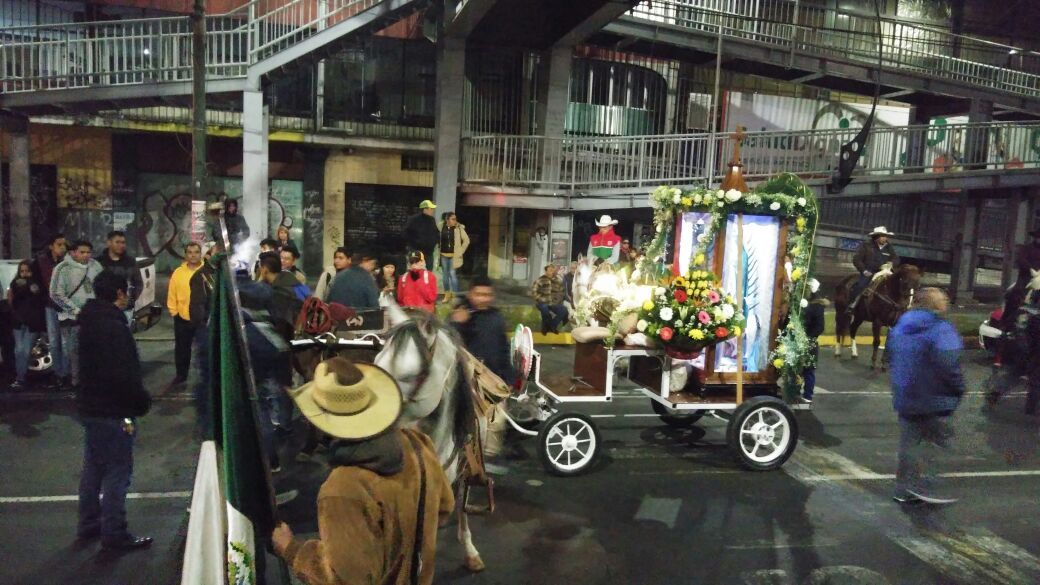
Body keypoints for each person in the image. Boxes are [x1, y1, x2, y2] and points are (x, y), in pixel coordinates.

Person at [272, 357, 454, 585]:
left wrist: (292, 550)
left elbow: (344, 580)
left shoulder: (343, 488)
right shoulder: (419, 444)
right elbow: (445, 507)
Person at [76, 270, 153, 550]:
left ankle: (88, 524)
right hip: (115, 409)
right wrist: (140, 401)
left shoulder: (90, 321)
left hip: (91, 406)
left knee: (94, 467)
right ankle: (114, 532)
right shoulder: (113, 326)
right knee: (118, 471)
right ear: (119, 293)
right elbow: (124, 374)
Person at [888, 287, 964, 505]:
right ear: (935, 304)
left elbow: (892, 356)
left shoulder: (902, 325)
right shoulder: (940, 328)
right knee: (940, 440)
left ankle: (903, 490)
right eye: (943, 299)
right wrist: (958, 388)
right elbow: (949, 363)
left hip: (906, 395)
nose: (946, 302)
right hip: (935, 397)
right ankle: (929, 487)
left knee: (908, 445)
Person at [50, 240, 103, 390]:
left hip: (93, 316)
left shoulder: (96, 266)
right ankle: (76, 382)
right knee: (73, 351)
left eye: (88, 252)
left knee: (93, 349)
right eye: (82, 252)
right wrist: (75, 310)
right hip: (72, 318)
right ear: (73, 252)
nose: (86, 255)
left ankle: (92, 380)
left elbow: (103, 286)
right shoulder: (62, 268)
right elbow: (55, 293)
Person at [451, 277, 515, 382]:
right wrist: (458, 325)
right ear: (470, 294)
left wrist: (509, 377)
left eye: (487, 295)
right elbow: (448, 348)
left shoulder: (496, 317)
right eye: (478, 294)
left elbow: (503, 349)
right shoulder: (458, 316)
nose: (483, 299)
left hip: (492, 380)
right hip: (465, 381)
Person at [188, 242, 220, 437]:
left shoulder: (221, 275)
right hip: (208, 334)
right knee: (208, 381)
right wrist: (206, 329)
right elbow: (197, 309)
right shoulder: (201, 277)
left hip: (217, 333)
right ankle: (207, 426)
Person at [32, 233, 68, 389]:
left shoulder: (67, 262)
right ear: (51, 246)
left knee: (66, 342)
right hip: (50, 305)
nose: (62, 248)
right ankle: (58, 374)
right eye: (59, 244)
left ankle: (66, 374)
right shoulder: (41, 262)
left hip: (66, 306)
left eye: (64, 245)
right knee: (54, 342)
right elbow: (36, 283)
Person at [167, 242, 204, 387]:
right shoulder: (178, 273)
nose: (193, 255)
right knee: (182, 349)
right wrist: (174, 312)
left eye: (196, 252)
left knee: (204, 349)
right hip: (182, 318)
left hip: (202, 319)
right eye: (190, 252)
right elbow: (172, 294)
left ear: (200, 254)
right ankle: (181, 376)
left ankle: (205, 377)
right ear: (185, 254)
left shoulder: (207, 272)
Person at [7, 261, 47, 391]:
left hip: (32, 322)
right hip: (18, 322)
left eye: (27, 271)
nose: (24, 274)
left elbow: (37, 294)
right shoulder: (14, 283)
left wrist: (28, 282)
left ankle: (21, 378)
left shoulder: (36, 283)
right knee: (19, 350)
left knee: (25, 350)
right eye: (22, 271)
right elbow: (14, 300)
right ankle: (20, 378)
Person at [848, 226, 901, 314]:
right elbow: (857, 259)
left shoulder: (889, 247)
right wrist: (864, 270)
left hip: (884, 272)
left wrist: (891, 263)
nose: (885, 238)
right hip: (869, 272)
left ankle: (898, 307)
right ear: (876, 237)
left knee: (897, 285)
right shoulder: (866, 245)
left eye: (885, 236)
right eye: (882, 236)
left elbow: (896, 259)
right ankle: (852, 305)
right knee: (861, 286)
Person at [96, 230, 143, 323]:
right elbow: (94, 285)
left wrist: (129, 302)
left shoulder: (130, 262)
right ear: (109, 243)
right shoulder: (98, 262)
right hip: (103, 309)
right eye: (117, 242)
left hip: (124, 309)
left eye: (123, 242)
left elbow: (138, 283)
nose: (121, 245)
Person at [800, 278, 827, 404]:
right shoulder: (803, 302)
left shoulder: (817, 306)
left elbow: (819, 327)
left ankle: (808, 394)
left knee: (808, 369)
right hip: (801, 339)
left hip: (809, 340)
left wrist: (808, 338)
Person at [436, 212, 470, 302]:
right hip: (443, 255)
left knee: (453, 275)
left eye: (455, 219)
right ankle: (447, 295)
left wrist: (460, 251)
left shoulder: (458, 228)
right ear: (447, 220)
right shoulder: (441, 226)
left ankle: (456, 296)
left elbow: (466, 240)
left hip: (453, 256)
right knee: (445, 276)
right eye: (453, 219)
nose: (455, 221)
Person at [530, 264, 567, 335]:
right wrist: (541, 299)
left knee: (563, 310)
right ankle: (545, 328)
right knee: (545, 309)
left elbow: (562, 291)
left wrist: (558, 299)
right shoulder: (540, 280)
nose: (552, 272)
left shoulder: (557, 280)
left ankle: (552, 326)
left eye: (553, 271)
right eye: (550, 270)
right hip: (541, 302)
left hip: (553, 303)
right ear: (545, 271)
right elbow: (533, 292)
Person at [403, 199, 439, 271]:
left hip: (429, 252)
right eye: (431, 208)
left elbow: (436, 233)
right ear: (425, 209)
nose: (432, 210)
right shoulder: (414, 219)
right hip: (416, 251)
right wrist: (413, 244)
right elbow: (406, 233)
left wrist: (435, 242)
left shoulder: (432, 220)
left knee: (428, 272)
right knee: (415, 270)